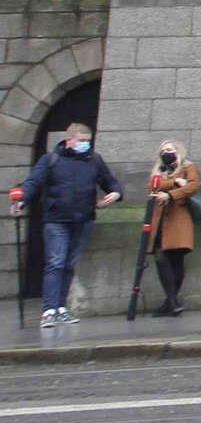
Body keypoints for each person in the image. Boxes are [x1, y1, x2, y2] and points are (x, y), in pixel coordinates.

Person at [13, 123, 122, 328]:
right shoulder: (51, 160)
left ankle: (61, 307)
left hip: (83, 219)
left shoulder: (94, 161)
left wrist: (115, 192)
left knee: (69, 265)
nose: (85, 145)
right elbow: (33, 182)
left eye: (87, 141)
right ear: (69, 140)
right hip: (57, 219)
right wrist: (22, 199)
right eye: (81, 141)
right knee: (56, 263)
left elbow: (109, 181)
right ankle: (49, 309)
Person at [145, 139, 201, 315]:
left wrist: (170, 194)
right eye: (163, 150)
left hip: (179, 219)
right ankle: (172, 301)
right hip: (160, 220)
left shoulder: (187, 167)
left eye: (170, 150)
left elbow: (193, 186)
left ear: (178, 151)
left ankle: (170, 302)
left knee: (177, 260)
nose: (166, 153)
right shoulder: (158, 170)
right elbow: (151, 188)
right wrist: (174, 182)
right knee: (161, 258)